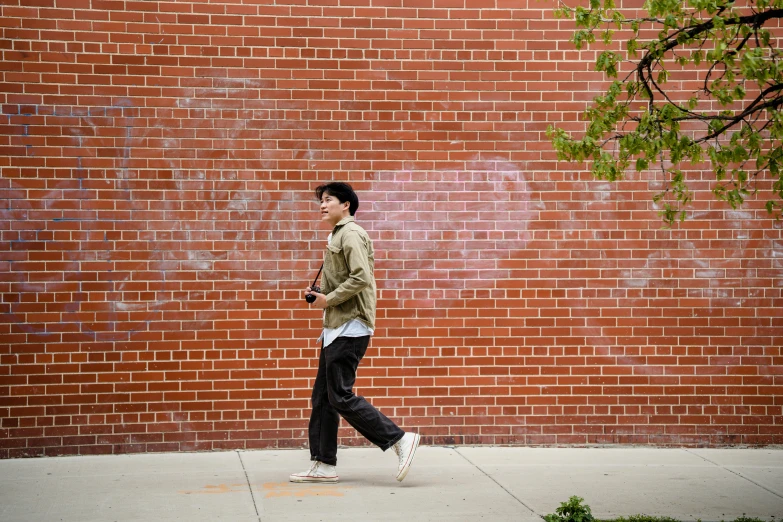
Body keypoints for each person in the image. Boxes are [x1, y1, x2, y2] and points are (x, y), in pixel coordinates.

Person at [290, 182, 420, 484]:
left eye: (328, 200)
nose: (322, 205)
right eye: (321, 201)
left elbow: (361, 277)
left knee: (339, 395)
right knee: (323, 398)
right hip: (338, 324)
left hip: (351, 325)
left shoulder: (350, 234)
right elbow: (346, 280)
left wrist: (328, 299)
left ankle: (399, 439)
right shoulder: (337, 234)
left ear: (346, 204)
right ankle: (323, 464)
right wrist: (321, 294)